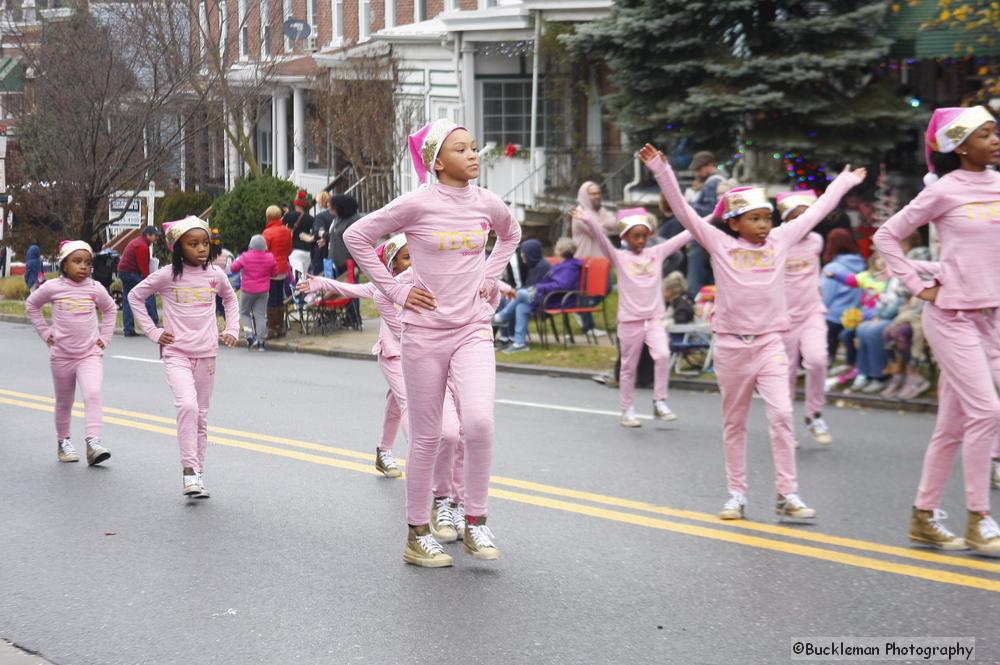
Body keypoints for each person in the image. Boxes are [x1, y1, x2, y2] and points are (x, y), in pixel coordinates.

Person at [643, 142, 864, 523]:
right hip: (730, 348)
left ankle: (788, 493)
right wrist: (662, 172)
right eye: (756, 218)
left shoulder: (781, 240)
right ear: (734, 223)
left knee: (781, 415)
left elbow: (818, 211)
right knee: (735, 424)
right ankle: (736, 494)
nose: (765, 224)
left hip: (769, 345)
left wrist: (843, 182)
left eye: (767, 217)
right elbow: (684, 213)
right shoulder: (720, 243)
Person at [344, 118, 521, 567]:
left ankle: (475, 521)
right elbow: (356, 237)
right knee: (428, 437)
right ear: (437, 162)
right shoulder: (417, 203)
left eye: (475, 147)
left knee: (478, 423)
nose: (474, 155)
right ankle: (417, 534)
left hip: (473, 329)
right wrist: (397, 290)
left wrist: (491, 272)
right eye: (462, 149)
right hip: (423, 334)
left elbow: (511, 234)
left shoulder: (487, 202)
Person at [873, 105, 1000, 555]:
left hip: (992, 318)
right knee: (987, 411)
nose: (995, 139)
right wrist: (916, 284)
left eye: (995, 132)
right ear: (960, 146)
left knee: (952, 426)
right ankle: (978, 518)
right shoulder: (944, 191)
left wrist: (939, 267)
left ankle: (923, 517)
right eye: (985, 134)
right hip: (951, 317)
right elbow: (886, 236)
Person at [298, 235, 468, 543]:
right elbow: (351, 288)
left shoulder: (430, 284)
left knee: (394, 402)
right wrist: (320, 283)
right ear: (391, 266)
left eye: (416, 256)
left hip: (429, 357)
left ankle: (383, 451)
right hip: (395, 354)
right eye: (405, 259)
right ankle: (421, 453)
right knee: (406, 405)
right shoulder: (383, 288)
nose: (413, 263)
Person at [128, 216, 239, 498]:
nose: (202, 249)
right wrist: (153, 331)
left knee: (201, 417)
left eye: (205, 243)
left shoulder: (216, 275)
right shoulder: (167, 275)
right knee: (187, 407)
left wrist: (232, 328)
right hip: (177, 352)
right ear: (178, 247)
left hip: (207, 354)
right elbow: (135, 297)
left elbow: (230, 299)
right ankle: (188, 471)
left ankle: (197, 475)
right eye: (193, 244)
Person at [573, 205, 692, 427]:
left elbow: (685, 236)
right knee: (629, 368)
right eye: (635, 236)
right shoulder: (619, 257)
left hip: (654, 319)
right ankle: (627, 409)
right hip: (630, 321)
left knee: (664, 355)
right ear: (625, 237)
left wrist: (712, 216)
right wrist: (588, 219)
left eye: (644, 236)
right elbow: (601, 239)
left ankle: (659, 402)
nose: (640, 240)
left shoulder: (656, 254)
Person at [25, 240, 116, 466]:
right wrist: (46, 333)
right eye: (77, 262)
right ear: (64, 265)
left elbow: (110, 309)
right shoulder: (53, 287)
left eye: (87, 262)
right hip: (62, 356)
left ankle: (93, 442)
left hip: (89, 355)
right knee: (64, 402)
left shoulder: (95, 288)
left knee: (93, 393)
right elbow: (31, 305)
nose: (83, 267)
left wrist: (104, 338)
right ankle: (63, 442)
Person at [776, 190, 833, 445]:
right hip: (783, 317)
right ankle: (784, 424)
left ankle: (814, 414)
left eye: (807, 217)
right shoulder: (776, 240)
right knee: (785, 372)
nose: (803, 223)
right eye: (796, 218)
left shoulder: (816, 241)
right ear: (787, 220)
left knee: (818, 360)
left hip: (812, 312)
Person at [493, 237, 582, 353]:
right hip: (549, 297)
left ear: (560, 251)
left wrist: (539, 287)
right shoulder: (563, 265)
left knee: (519, 293)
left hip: (558, 300)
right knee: (522, 306)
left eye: (557, 248)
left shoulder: (569, 267)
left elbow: (561, 286)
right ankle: (519, 343)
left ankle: (502, 317)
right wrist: (538, 287)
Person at [571, 181, 616, 335]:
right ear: (585, 195)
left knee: (607, 288)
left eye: (598, 193)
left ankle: (581, 310)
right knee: (587, 292)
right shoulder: (579, 213)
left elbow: (613, 222)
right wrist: (603, 225)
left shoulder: (600, 210)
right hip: (586, 259)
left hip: (601, 260)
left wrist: (601, 224)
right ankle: (587, 325)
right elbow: (597, 231)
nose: (597, 196)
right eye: (593, 194)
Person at [819, 228, 864, 374]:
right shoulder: (861, 264)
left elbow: (825, 297)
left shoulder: (832, 268)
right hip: (853, 315)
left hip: (833, 317)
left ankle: (825, 367)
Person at [685, 150, 724, 298]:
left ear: (709, 165)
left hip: (702, 240)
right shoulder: (723, 180)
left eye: (699, 169)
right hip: (716, 239)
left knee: (696, 279)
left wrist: (689, 204)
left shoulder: (712, 183)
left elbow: (710, 211)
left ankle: (694, 304)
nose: (698, 173)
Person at [230, 234, 278, 351]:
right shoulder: (270, 257)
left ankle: (250, 336)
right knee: (260, 315)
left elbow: (233, 268)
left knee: (244, 313)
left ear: (251, 245)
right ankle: (261, 342)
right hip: (263, 290)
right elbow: (275, 273)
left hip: (247, 290)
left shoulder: (245, 257)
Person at [119, 226, 161, 337]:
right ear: (148, 235)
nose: (156, 238)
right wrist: (150, 282)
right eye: (155, 235)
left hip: (124, 272)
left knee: (128, 299)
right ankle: (153, 323)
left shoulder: (138, 242)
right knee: (148, 293)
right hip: (131, 273)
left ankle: (128, 329)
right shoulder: (142, 246)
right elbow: (143, 267)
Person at [263, 204, 293, 339]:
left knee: (271, 298)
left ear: (268, 217)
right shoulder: (286, 231)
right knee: (279, 297)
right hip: (283, 268)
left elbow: (264, 252)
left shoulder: (267, 233)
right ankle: (280, 327)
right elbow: (289, 249)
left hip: (271, 269)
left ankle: (271, 328)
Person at [327, 194, 362, 277]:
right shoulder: (337, 218)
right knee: (331, 289)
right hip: (332, 262)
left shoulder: (355, 220)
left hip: (348, 263)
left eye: (332, 206)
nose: (329, 208)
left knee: (348, 288)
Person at [284, 190, 314, 281]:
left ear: (296, 204)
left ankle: (298, 294)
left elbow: (282, 229)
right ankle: (304, 294)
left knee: (298, 277)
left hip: (295, 250)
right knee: (304, 275)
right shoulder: (311, 218)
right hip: (308, 251)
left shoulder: (289, 215)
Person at [312, 191, 333, 275]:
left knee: (325, 279)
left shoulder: (320, 217)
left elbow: (318, 232)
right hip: (335, 251)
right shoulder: (336, 215)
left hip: (322, 253)